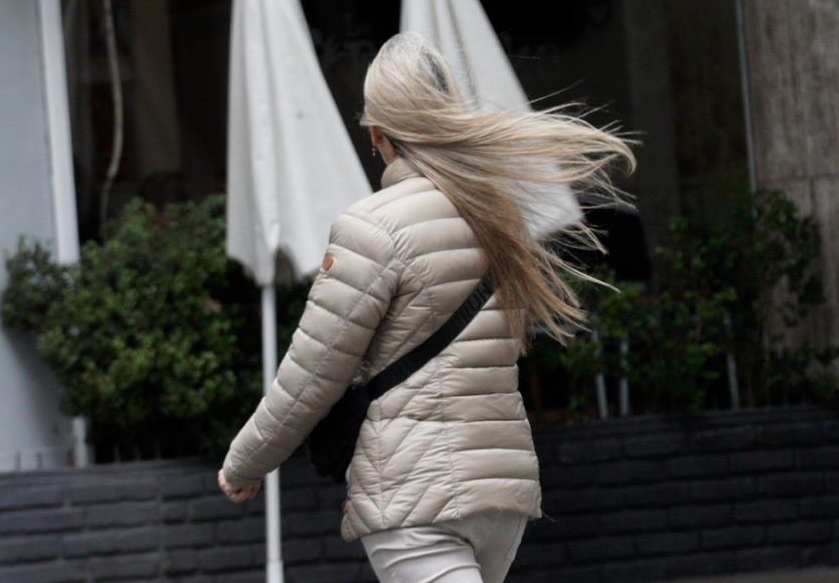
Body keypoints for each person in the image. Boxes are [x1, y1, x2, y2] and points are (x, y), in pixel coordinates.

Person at [217, 32, 634, 583]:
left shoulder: (369, 227)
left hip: (417, 497)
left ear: (376, 133)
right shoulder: (498, 216)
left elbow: (313, 373)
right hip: (500, 495)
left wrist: (244, 462)